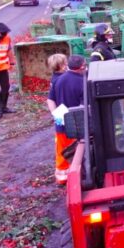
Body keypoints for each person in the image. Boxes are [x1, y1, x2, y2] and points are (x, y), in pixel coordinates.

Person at [47, 55, 86, 184]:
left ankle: (62, 178)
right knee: (78, 151)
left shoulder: (58, 80)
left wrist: (57, 116)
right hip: (76, 124)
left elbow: (50, 100)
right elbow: (83, 107)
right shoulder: (82, 82)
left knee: (61, 150)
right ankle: (76, 178)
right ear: (82, 67)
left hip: (60, 122)